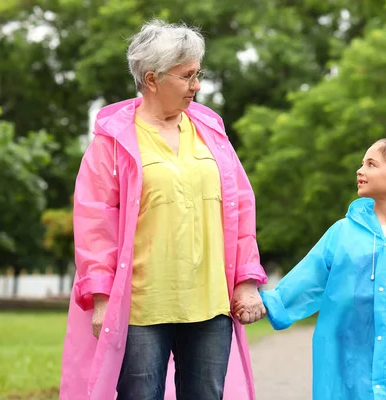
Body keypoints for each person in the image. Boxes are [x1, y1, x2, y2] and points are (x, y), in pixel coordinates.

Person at [60, 20, 267, 400]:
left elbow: (240, 207)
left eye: (198, 74)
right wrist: (102, 298)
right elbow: (94, 222)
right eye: (187, 75)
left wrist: (246, 281)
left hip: (209, 305)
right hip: (141, 308)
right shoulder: (114, 141)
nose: (197, 85)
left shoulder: (211, 131)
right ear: (152, 79)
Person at [246, 139, 386, 400]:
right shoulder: (342, 232)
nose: (360, 171)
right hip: (342, 358)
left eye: (371, 164)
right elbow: (310, 277)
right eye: (362, 164)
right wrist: (266, 302)